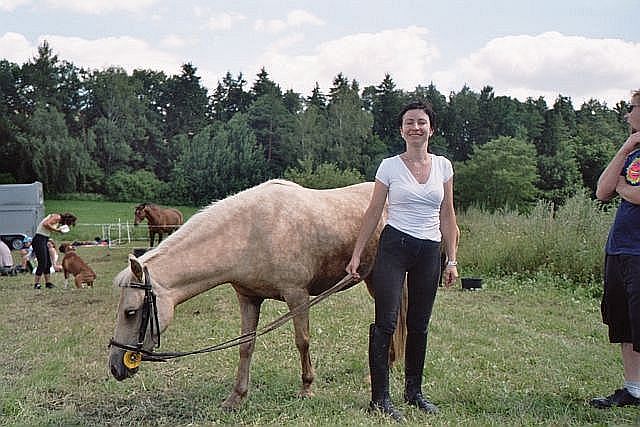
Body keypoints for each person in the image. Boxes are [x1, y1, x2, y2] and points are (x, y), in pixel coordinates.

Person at [346, 101, 459, 421]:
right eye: (409, 122)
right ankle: (379, 398)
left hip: (429, 251)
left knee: (419, 324)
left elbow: (447, 215)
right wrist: (356, 254)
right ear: (401, 130)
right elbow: (372, 213)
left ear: (431, 129)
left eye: (421, 122)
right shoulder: (389, 166)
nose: (415, 127)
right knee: (386, 322)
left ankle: (414, 392)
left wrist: (451, 260)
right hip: (394, 247)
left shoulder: (443, 166)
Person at [591, 90, 640, 408]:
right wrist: (626, 147)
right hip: (619, 249)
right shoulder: (632, 153)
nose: (626, 114)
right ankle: (634, 390)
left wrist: (622, 187)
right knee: (624, 322)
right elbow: (601, 190)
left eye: (632, 108)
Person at [32, 212, 77, 289]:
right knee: (42, 263)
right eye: (69, 223)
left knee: (48, 263)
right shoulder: (57, 217)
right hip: (39, 240)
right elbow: (45, 224)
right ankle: (36, 284)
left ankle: (48, 283)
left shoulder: (58, 220)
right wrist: (57, 230)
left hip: (44, 239)